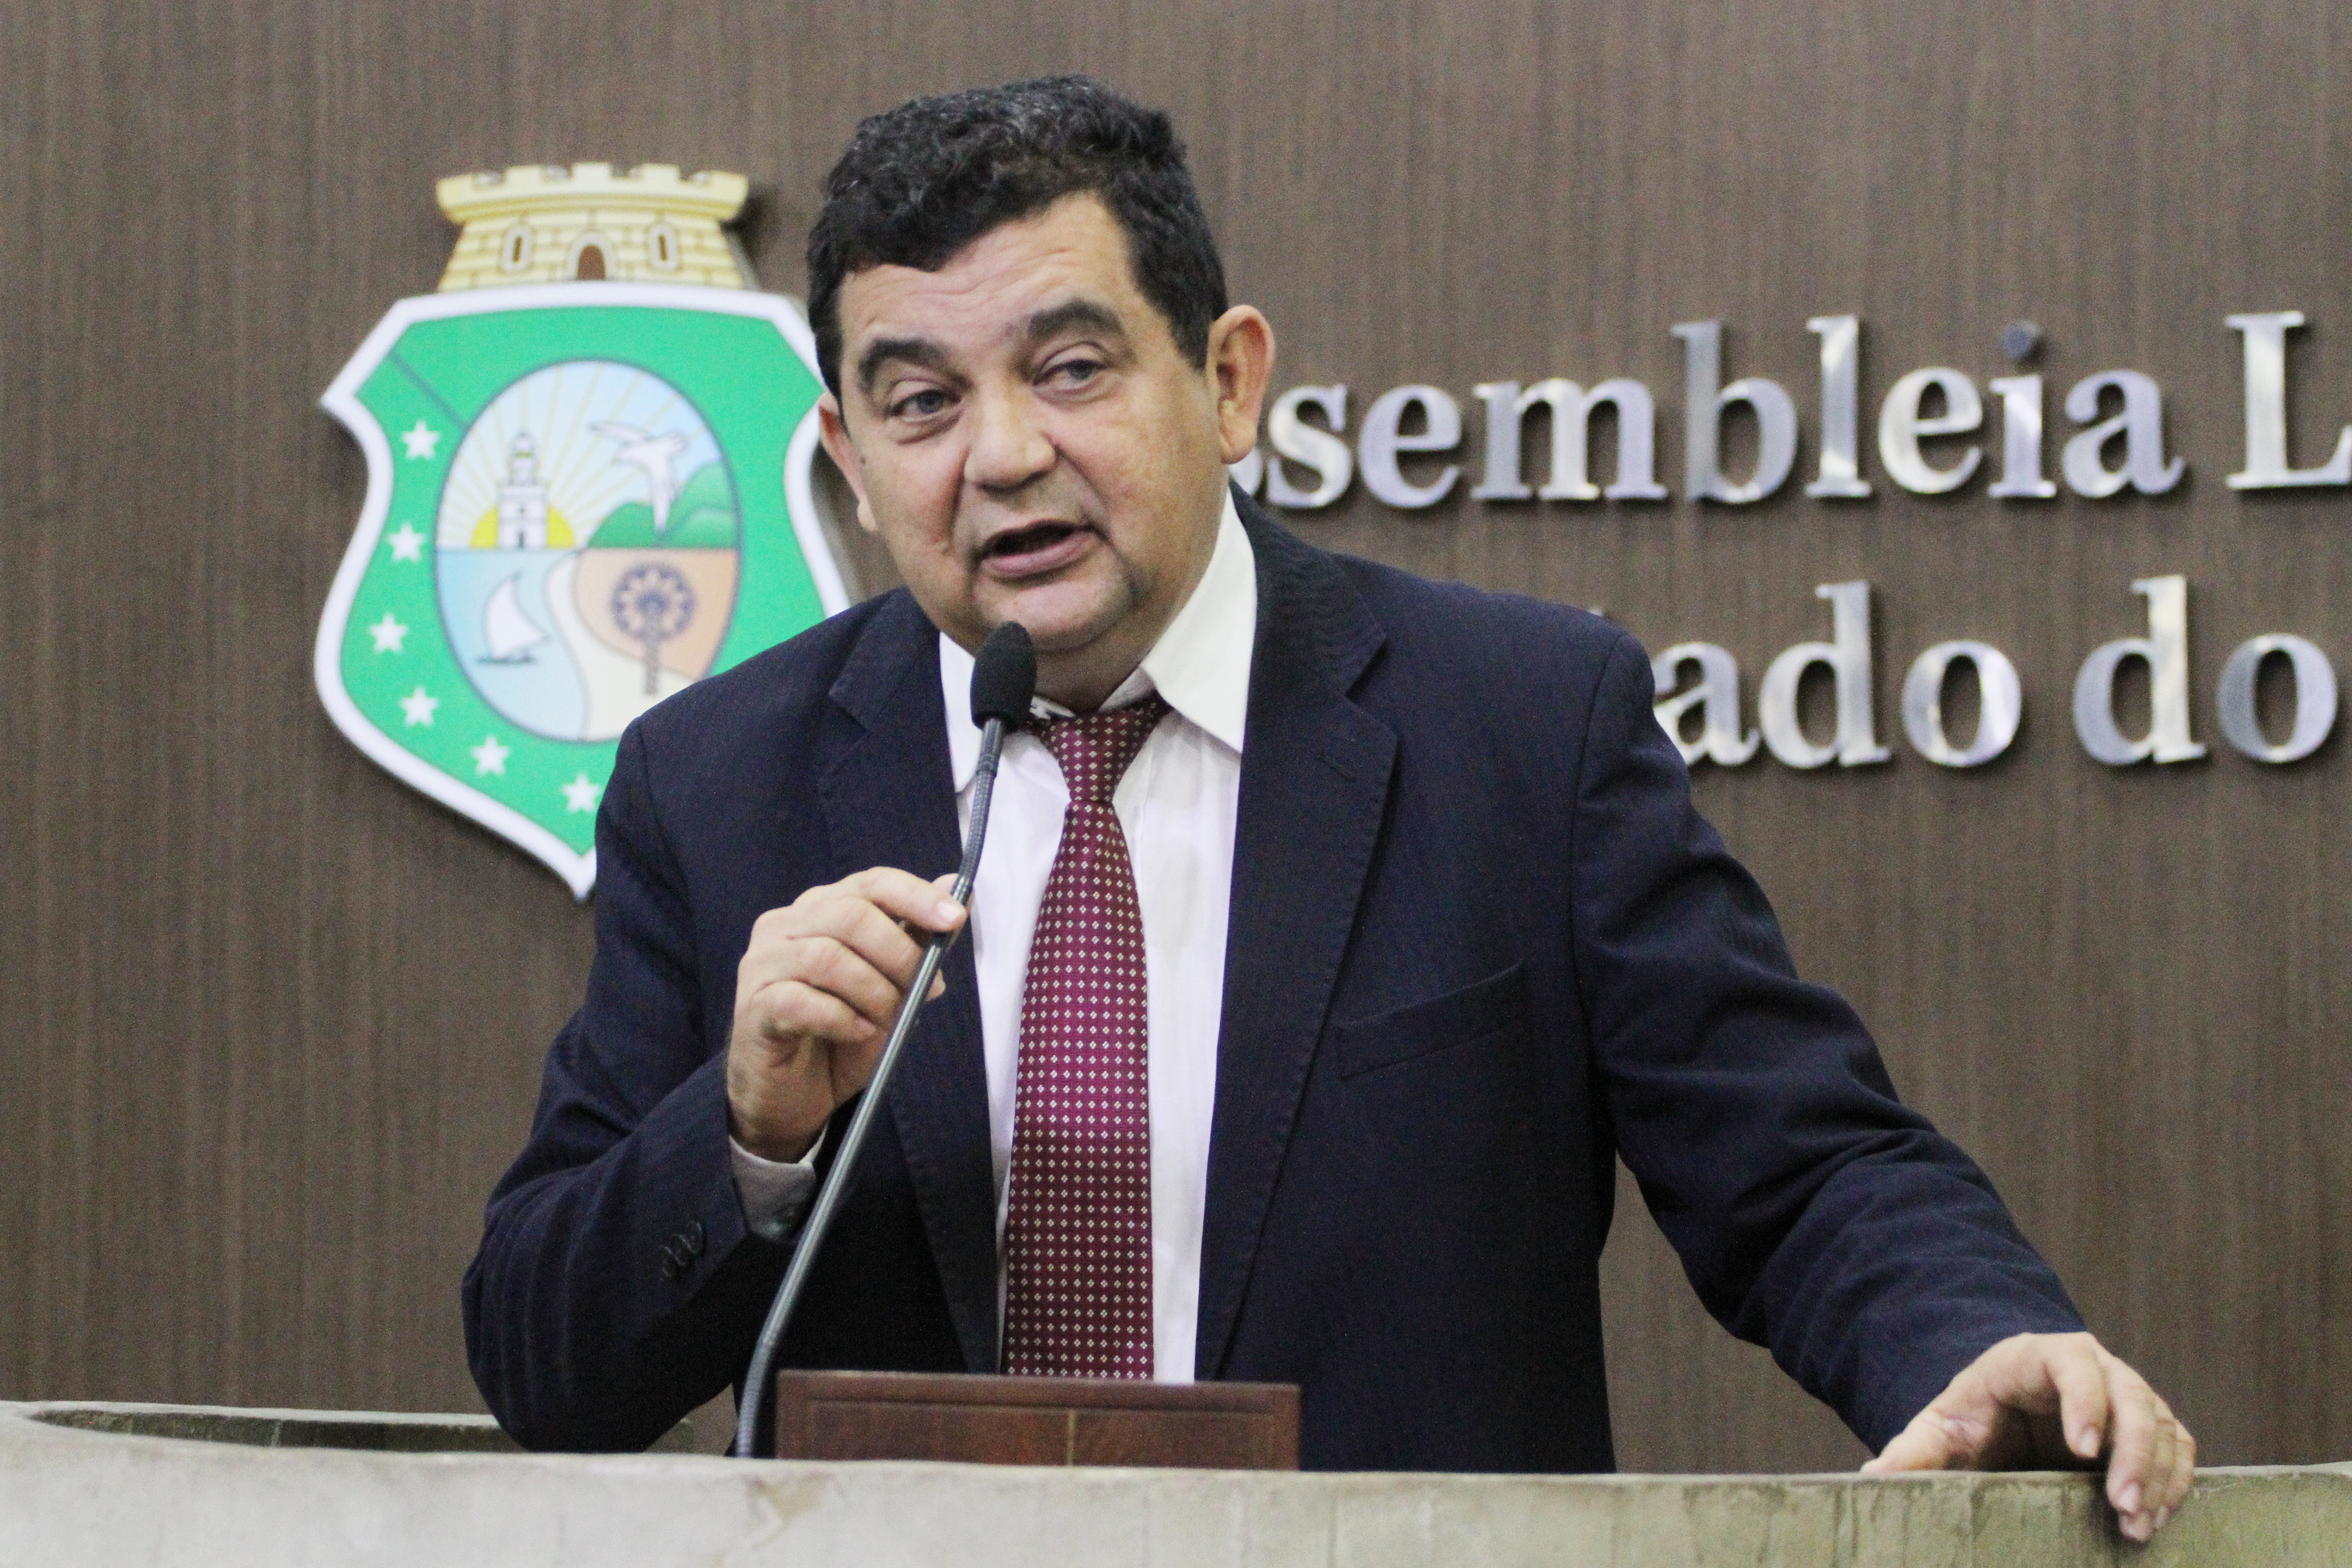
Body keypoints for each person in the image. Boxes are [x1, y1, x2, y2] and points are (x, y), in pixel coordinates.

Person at [462, 75, 2194, 1539]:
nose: (999, 455)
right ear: (850, 462)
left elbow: (1801, 1168)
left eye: (1071, 370)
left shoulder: (1521, 728)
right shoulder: (720, 782)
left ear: (1227, 382)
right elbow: (543, 1369)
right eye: (921, 403)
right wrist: (748, 1133)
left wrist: (1974, 1341)